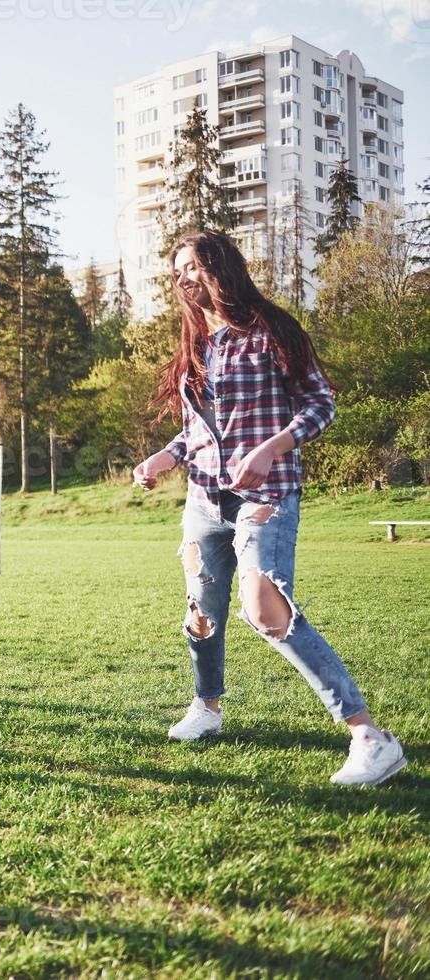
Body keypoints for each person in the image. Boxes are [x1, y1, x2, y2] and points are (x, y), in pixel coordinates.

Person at [132, 229, 405, 786]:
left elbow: (320, 404)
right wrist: (164, 456)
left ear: (223, 267)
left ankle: (370, 738)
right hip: (205, 498)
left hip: (266, 494)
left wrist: (271, 446)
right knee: (201, 616)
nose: (184, 277)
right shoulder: (196, 344)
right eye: (177, 269)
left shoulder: (271, 330)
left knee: (266, 611)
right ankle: (207, 709)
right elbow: (195, 432)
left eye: (194, 266)